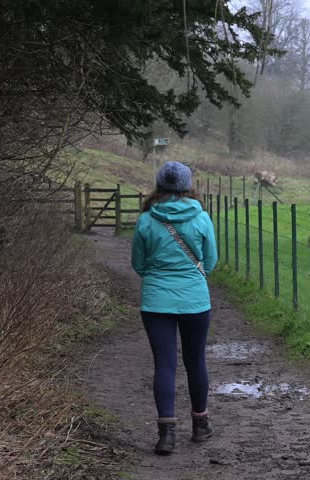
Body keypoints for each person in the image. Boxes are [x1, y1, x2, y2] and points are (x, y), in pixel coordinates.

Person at [131, 161, 218, 455]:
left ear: (159, 185)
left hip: (156, 301)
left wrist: (158, 278)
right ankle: (200, 424)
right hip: (195, 300)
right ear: (187, 186)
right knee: (196, 361)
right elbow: (210, 261)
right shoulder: (201, 217)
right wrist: (191, 275)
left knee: (164, 364)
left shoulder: (146, 220)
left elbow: (138, 264)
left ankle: (166, 434)